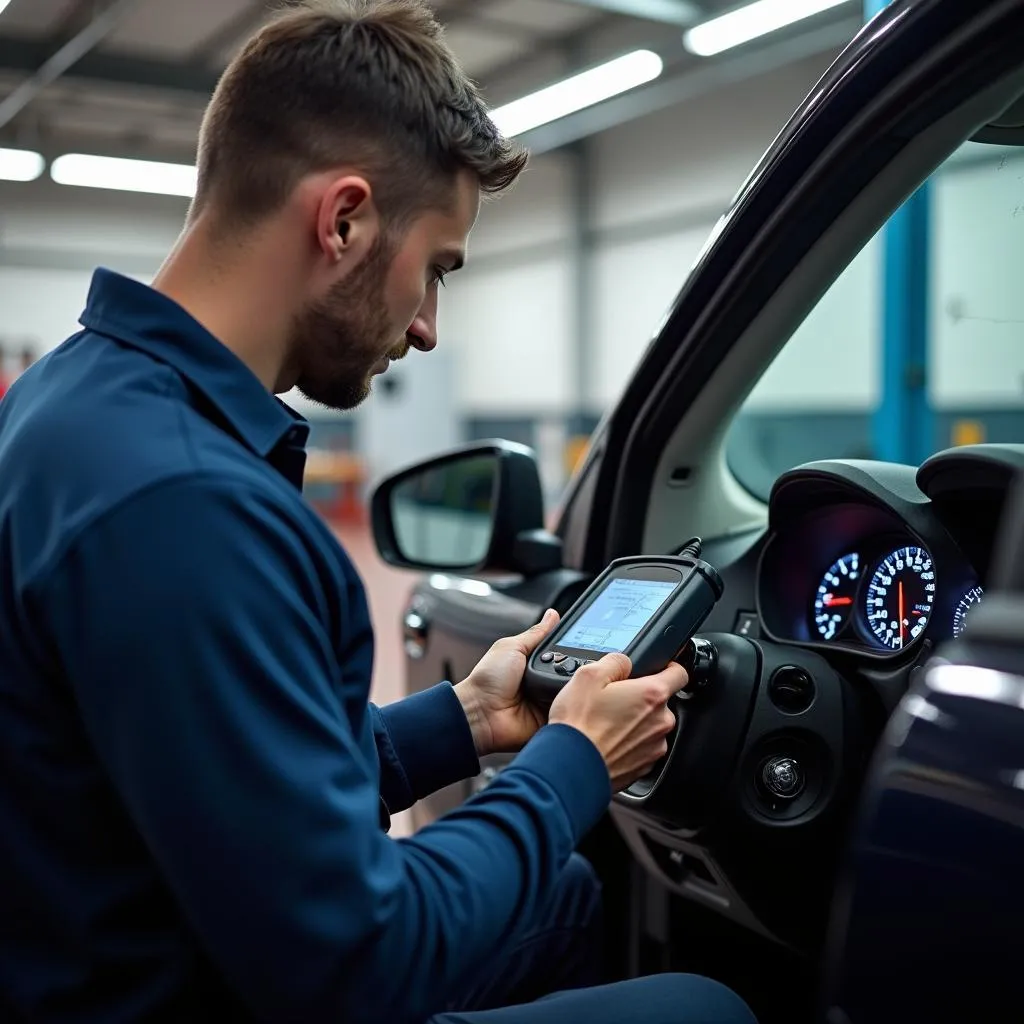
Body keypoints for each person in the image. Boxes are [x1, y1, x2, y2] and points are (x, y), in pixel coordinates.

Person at [0, 3, 757, 1023]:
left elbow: (228, 772)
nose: (429, 328)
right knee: (707, 1010)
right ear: (344, 219)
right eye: (436, 268)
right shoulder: (186, 507)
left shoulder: (77, 400)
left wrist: (468, 720)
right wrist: (570, 762)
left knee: (565, 897)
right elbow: (358, 966)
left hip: (138, 938)